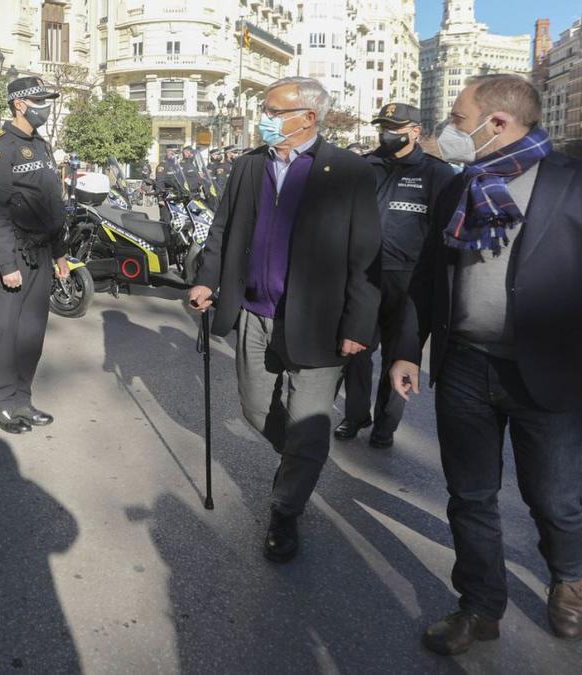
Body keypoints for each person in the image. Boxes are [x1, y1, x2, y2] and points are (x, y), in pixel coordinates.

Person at [389, 74, 582, 655]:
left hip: (548, 372)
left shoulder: (570, 185)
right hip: (467, 367)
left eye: (457, 117)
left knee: (555, 498)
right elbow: (428, 277)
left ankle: (569, 585)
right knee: (470, 496)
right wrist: (405, 346)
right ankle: (479, 608)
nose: (451, 129)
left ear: (495, 124)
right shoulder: (458, 188)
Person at [187, 76, 381, 564]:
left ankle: (285, 509)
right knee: (256, 411)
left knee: (309, 426)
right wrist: (207, 278)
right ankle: (300, 461)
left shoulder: (350, 171)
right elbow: (223, 228)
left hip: (320, 323)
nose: (265, 119)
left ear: (308, 118)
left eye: (274, 112)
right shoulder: (250, 166)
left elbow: (366, 256)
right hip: (254, 313)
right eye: (265, 111)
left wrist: (359, 326)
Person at [335, 103, 455, 449]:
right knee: (355, 350)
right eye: (383, 126)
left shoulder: (438, 174)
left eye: (395, 127)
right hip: (364, 277)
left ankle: (385, 426)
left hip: (411, 282)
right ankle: (355, 414)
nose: (387, 132)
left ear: (415, 131)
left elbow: (444, 232)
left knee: (399, 356)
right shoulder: (363, 168)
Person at [0, 76, 70, 434]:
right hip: (13, 253)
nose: (46, 107)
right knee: (5, 331)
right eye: (41, 100)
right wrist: (6, 264)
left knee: (32, 332)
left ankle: (22, 399)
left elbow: (53, 206)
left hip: (43, 251)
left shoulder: (42, 146)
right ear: (20, 104)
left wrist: (61, 252)